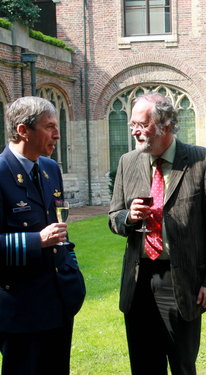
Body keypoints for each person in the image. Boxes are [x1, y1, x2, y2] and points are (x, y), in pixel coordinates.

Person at [109, 93, 206, 375]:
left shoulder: (202, 161)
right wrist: (129, 217)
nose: (134, 131)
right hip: (138, 282)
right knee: (143, 366)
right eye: (132, 125)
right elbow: (114, 217)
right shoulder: (128, 162)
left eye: (141, 124)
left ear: (164, 124)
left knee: (182, 365)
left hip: (181, 281)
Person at [0, 96, 86, 375]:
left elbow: (60, 225)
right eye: (49, 127)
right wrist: (36, 241)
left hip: (59, 301)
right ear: (23, 130)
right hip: (21, 309)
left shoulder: (50, 168)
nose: (57, 134)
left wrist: (70, 267)